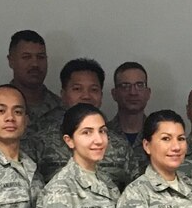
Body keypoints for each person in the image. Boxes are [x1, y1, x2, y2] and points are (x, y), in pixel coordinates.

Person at [35, 58, 132, 189]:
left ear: (101, 95)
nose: (86, 96)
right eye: (77, 89)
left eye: (93, 89)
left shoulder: (119, 145)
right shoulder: (41, 142)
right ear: (63, 95)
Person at [0, 29, 61, 155]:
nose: (35, 64)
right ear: (11, 61)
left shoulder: (62, 108)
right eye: (26, 57)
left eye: (41, 57)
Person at [108, 61, 152, 178]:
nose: (133, 92)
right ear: (114, 94)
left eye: (139, 85)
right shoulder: (102, 136)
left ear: (148, 93)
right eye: (125, 86)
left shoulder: (159, 135)